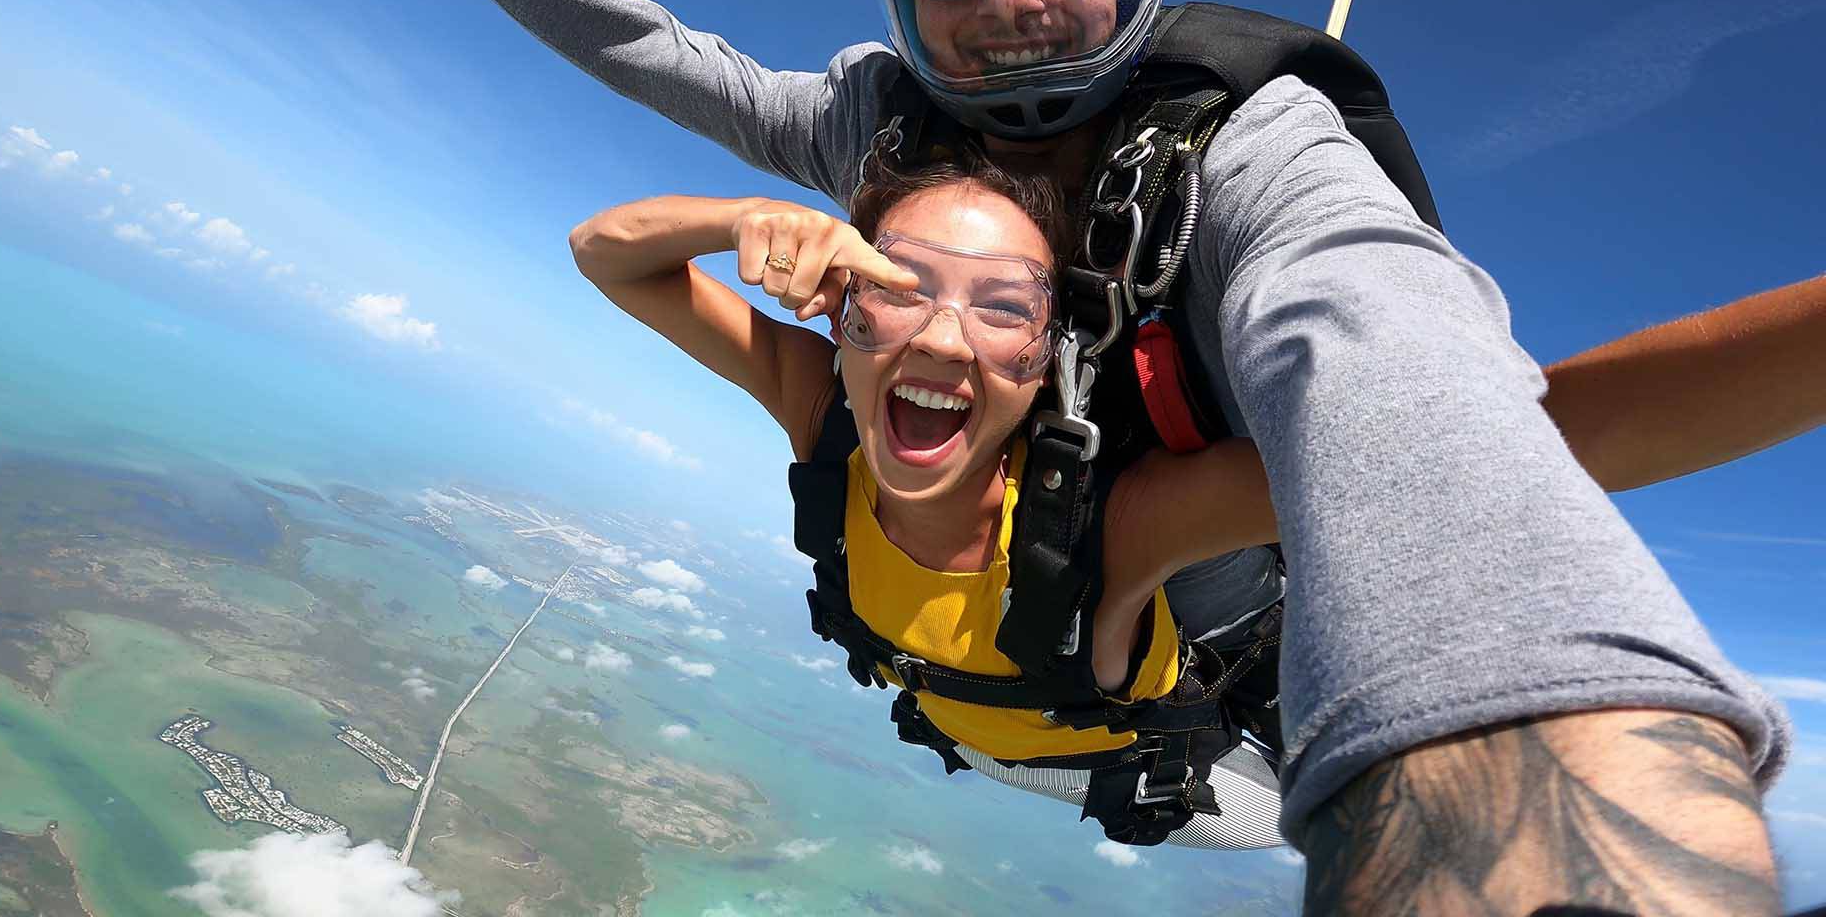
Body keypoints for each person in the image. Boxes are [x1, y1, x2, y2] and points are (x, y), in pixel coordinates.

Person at [358, 0, 1794, 909]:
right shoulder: (872, 122)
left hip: (1184, 662)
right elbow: (666, 64)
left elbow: (1391, 351)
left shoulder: (1248, 145)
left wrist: (1503, 725)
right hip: (995, 674)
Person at [571, 147, 1826, 854]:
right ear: (839, 310)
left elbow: (1509, 437)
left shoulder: (1113, 522)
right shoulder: (826, 413)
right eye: (895, 285)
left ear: (1043, 356)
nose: (945, 341)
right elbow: (607, 247)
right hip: (976, 732)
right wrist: (750, 215)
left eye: (1003, 304)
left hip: (1185, 782)